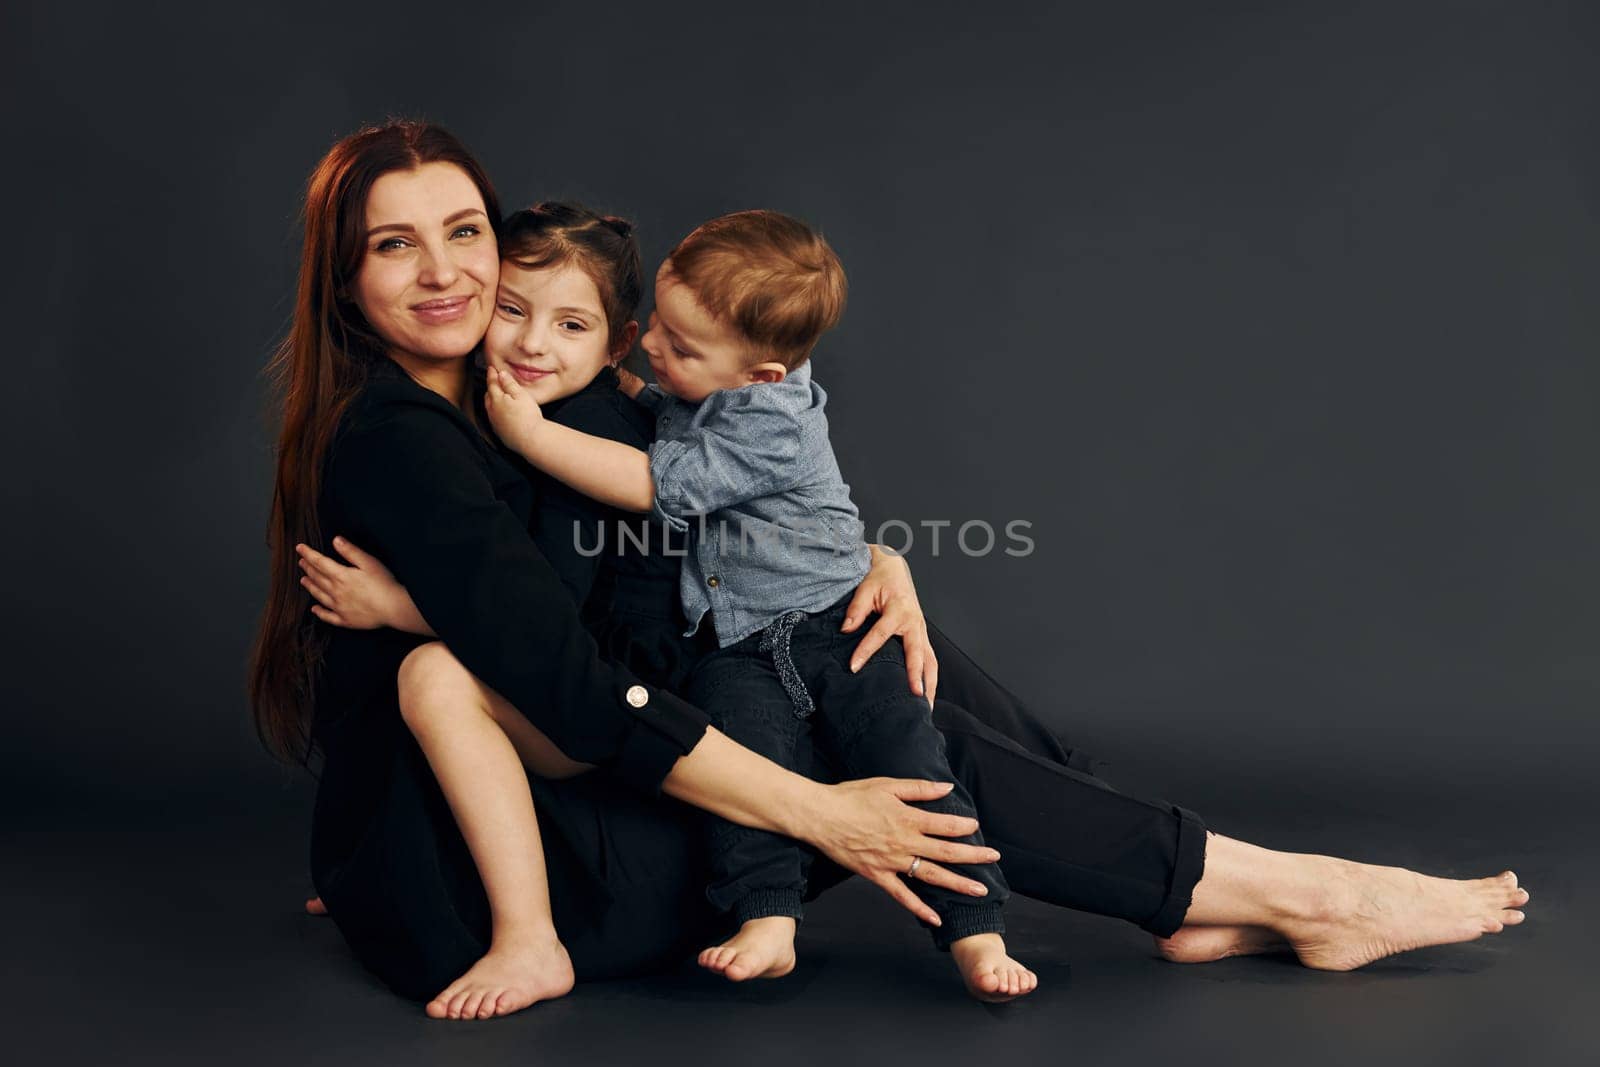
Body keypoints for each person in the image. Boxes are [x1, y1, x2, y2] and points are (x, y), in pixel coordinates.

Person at [260, 119, 1531, 1024]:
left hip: (507, 816)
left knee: (871, 636)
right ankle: (1296, 892)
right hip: (544, 870)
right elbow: (565, 677)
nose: (448, 275)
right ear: (346, 272)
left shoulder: (520, 387)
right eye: (394, 246)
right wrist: (823, 812)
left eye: (464, 232)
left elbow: (633, 541)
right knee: (886, 727)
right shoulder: (420, 436)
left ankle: (1172, 882)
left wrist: (865, 555)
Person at [480, 208, 1029, 998]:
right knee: (745, 765)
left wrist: (530, 435)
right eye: (657, 327)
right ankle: (770, 917)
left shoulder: (772, 423)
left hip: (833, 629)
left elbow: (657, 484)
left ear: (758, 378)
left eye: (680, 346)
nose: (655, 347)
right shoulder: (711, 383)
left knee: (911, 765)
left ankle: (977, 930)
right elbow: (663, 407)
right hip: (739, 642)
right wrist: (628, 376)